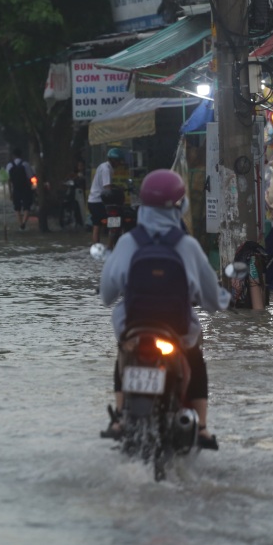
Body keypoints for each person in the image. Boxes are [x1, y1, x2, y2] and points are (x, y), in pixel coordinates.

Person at [99, 169, 230, 449]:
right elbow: (211, 299)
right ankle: (203, 427)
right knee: (195, 358)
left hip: (134, 331)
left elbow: (106, 294)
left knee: (124, 351)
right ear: (179, 206)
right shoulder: (187, 246)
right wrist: (223, 299)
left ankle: (120, 417)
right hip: (177, 334)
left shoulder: (127, 242)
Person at [87, 148, 124, 244]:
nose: (119, 164)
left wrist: (116, 186)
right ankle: (111, 246)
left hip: (92, 201)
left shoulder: (103, 166)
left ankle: (96, 248)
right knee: (114, 219)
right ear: (114, 161)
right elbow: (107, 188)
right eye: (119, 161)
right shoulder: (106, 169)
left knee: (97, 224)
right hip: (99, 201)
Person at [5, 148, 36, 230]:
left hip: (16, 189)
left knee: (17, 207)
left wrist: (10, 192)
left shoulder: (9, 165)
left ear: (13, 156)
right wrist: (34, 187)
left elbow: (8, 180)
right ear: (21, 155)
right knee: (27, 207)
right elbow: (31, 177)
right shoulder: (26, 164)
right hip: (26, 188)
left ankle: (20, 223)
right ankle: (24, 222)